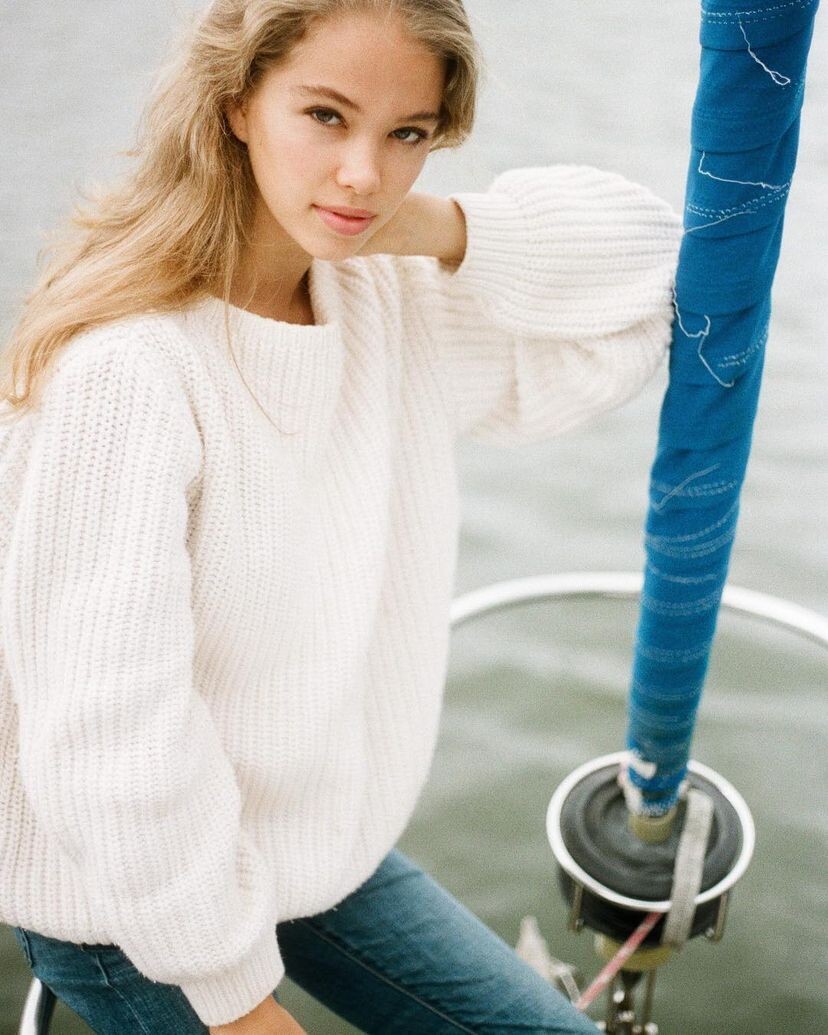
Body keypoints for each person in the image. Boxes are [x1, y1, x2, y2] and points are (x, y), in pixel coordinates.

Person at [0, 1, 681, 1032]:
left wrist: (424, 225)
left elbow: (653, 270)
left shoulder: (382, 299)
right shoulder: (126, 373)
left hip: (307, 852)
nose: (364, 171)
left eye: (407, 132)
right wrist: (237, 1002)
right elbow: (110, 745)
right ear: (237, 103)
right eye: (325, 116)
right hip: (126, 896)